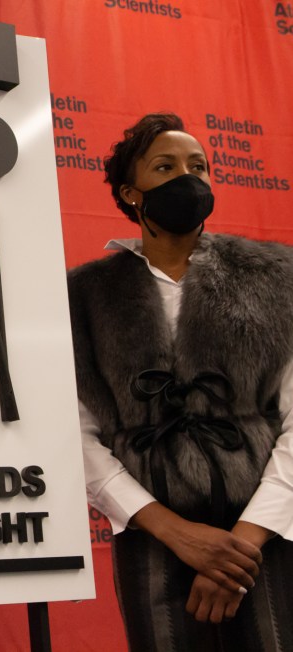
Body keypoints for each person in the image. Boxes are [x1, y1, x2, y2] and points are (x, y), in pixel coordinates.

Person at [69, 112, 293, 649]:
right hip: (152, 539)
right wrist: (175, 531)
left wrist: (245, 539)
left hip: (261, 536)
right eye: (165, 167)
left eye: (199, 166)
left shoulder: (273, 278)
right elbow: (72, 433)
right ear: (131, 193)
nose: (187, 179)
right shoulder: (85, 295)